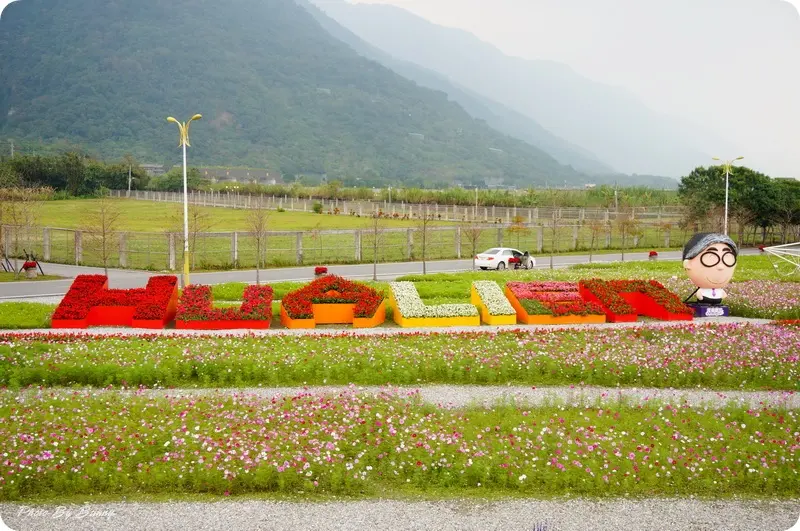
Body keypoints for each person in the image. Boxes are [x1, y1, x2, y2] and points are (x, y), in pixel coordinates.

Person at [682, 233, 738, 305]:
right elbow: (700, 296)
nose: (720, 266)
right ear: (688, 264)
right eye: (711, 257)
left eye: (727, 257)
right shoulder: (702, 291)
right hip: (704, 304)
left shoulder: (720, 291)